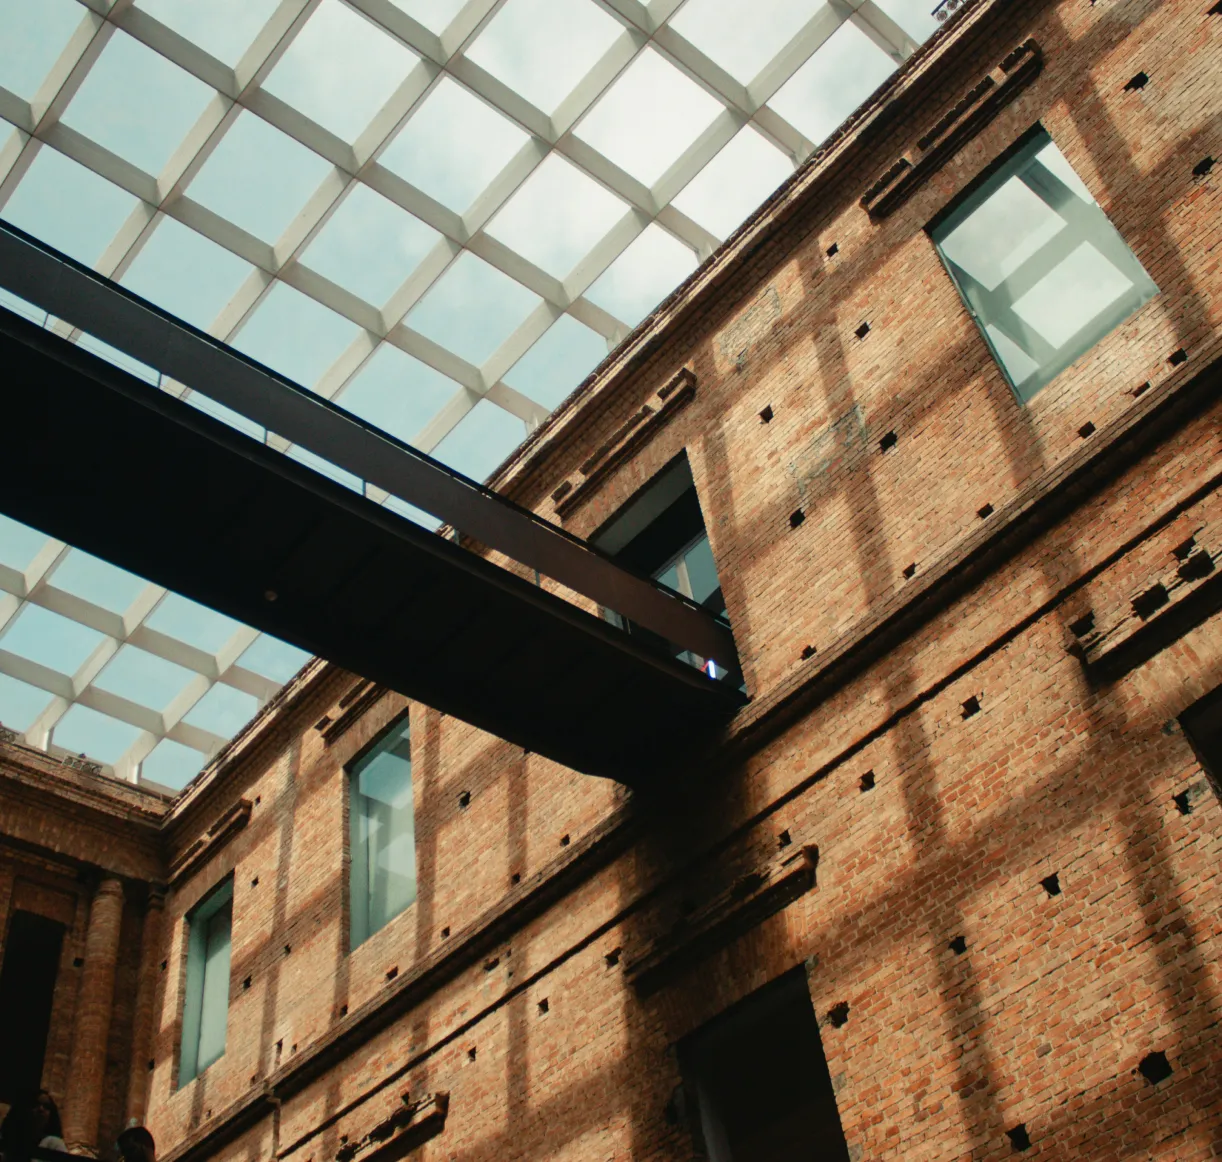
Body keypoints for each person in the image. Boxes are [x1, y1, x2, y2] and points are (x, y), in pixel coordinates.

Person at [0, 1089, 67, 1162]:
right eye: (35, 1104)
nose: (41, 1109)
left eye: (46, 1106)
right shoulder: (8, 1143)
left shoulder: (53, 1144)